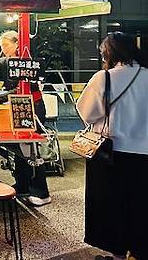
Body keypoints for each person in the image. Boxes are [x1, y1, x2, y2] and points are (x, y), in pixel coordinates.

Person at [77, 32, 148, 260]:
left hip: (111, 154)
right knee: (140, 205)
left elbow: (87, 114)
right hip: (144, 154)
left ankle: (117, 253)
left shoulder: (105, 78)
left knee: (112, 205)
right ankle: (137, 251)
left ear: (110, 53)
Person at [0, 30, 51, 206]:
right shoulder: (4, 62)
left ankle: (41, 193)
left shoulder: (27, 63)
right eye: (1, 46)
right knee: (19, 149)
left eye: (6, 45)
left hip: (33, 108)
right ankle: (22, 185)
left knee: (31, 149)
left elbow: (23, 89)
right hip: (16, 106)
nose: (4, 49)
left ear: (17, 44)